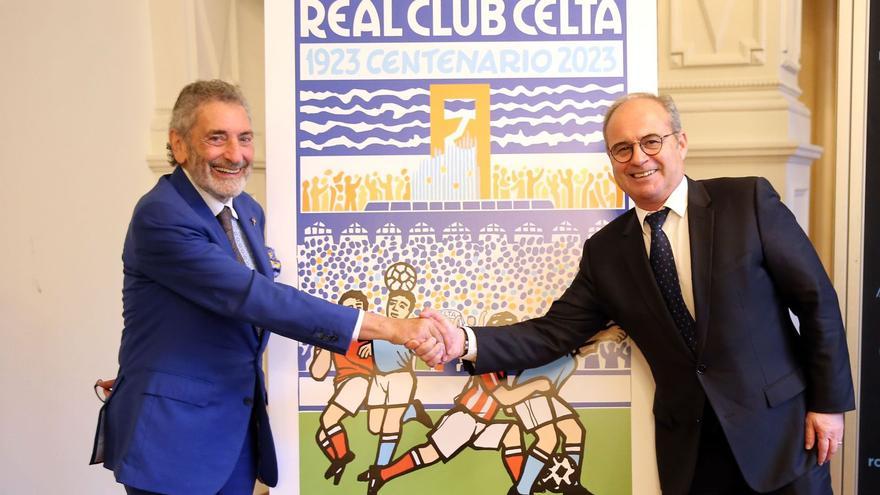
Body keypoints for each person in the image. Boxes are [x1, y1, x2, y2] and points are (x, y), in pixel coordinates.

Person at [421, 93, 855, 494]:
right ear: (611, 160)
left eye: (651, 141)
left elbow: (817, 301)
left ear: (680, 143)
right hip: (692, 452)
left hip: (783, 434)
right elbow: (553, 333)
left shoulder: (747, 201)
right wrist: (465, 341)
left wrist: (828, 403)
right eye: (622, 149)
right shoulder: (606, 252)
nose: (638, 158)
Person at [93, 80, 445, 495]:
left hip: (233, 433)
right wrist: (392, 328)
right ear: (179, 144)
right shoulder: (162, 216)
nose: (235, 155)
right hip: (175, 438)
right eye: (216, 138)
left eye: (244, 139)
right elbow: (255, 298)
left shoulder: (246, 210)